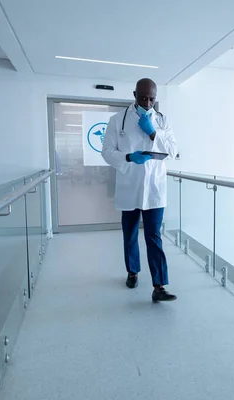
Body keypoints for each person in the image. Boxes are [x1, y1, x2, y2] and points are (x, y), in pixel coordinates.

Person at [102, 78, 178, 302]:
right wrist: (128, 157)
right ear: (134, 94)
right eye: (143, 97)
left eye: (152, 99)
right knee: (131, 234)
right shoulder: (117, 120)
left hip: (154, 188)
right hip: (130, 185)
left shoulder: (163, 121)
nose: (147, 103)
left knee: (154, 236)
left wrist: (154, 133)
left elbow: (173, 151)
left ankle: (159, 286)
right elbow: (106, 152)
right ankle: (132, 271)